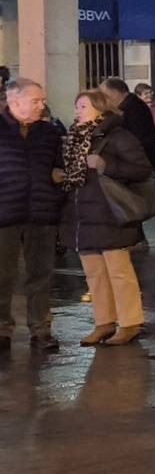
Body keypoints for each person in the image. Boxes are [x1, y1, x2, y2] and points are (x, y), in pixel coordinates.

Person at [63, 90, 154, 347]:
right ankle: (103, 322)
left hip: (109, 213)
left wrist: (105, 165)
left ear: (100, 109)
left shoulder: (118, 137)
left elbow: (142, 170)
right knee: (94, 274)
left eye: (83, 106)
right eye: (77, 106)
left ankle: (129, 322)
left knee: (118, 272)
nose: (77, 111)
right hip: (82, 214)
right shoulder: (73, 139)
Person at [0, 81, 62, 351]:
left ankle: (41, 328)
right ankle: (2, 328)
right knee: (2, 275)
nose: (42, 105)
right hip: (4, 213)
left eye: (42, 100)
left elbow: (58, 166)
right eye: (36, 100)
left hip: (41, 212)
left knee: (41, 274)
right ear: (15, 102)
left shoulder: (48, 133)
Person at [99, 77, 155, 169]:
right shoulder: (129, 105)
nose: (102, 98)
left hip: (141, 164)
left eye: (104, 94)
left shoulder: (133, 107)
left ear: (115, 92)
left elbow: (134, 137)